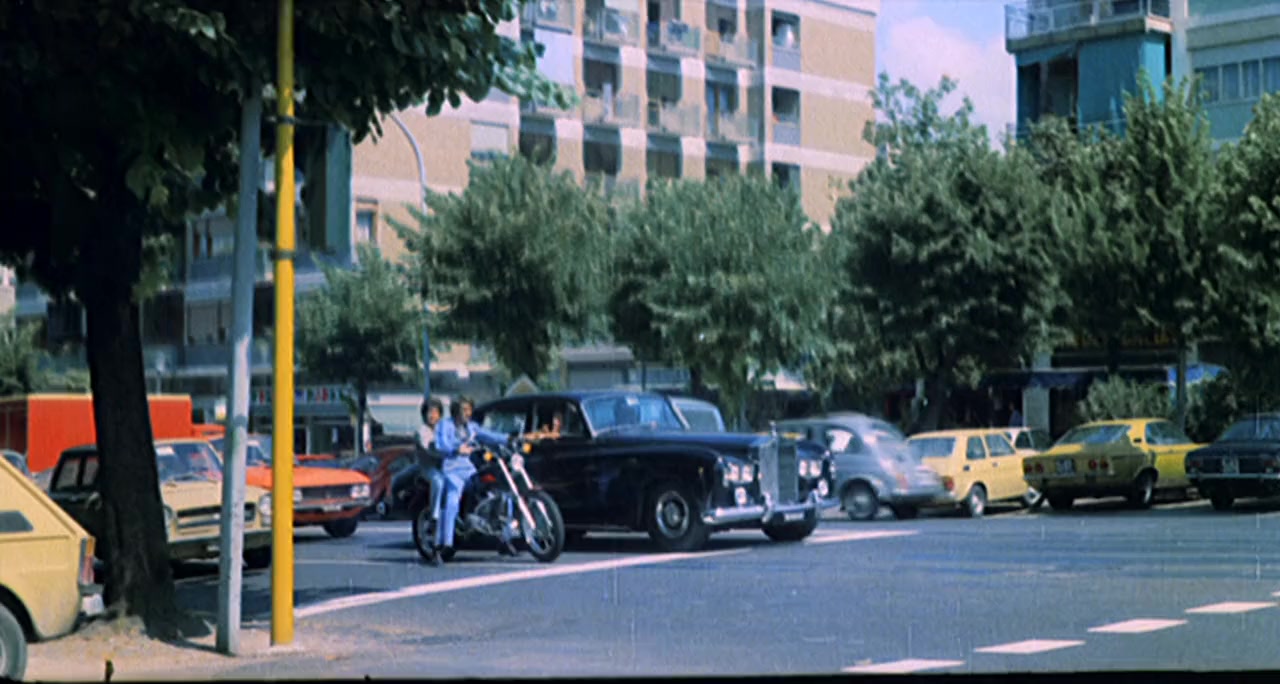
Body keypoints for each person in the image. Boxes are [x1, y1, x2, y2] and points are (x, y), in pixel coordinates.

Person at [435, 397, 512, 555]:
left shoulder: (471, 427)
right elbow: (440, 444)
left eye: (469, 409)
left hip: (469, 469)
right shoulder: (445, 425)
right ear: (456, 410)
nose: (468, 413)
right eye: (464, 409)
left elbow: (490, 435)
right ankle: (447, 544)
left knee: (500, 494)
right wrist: (456, 449)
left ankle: (505, 539)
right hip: (452, 469)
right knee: (452, 500)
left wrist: (509, 439)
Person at [415, 398, 446, 563]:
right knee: (438, 481)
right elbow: (431, 449)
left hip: (447, 466)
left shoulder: (444, 428)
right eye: (429, 412)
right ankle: (434, 516)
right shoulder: (422, 431)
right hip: (429, 468)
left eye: (435, 412)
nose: (432, 415)